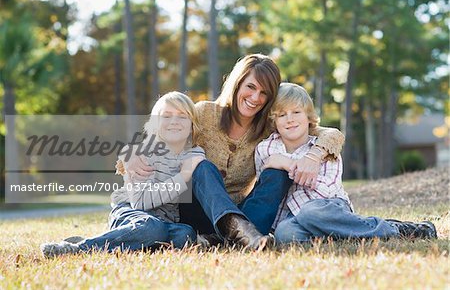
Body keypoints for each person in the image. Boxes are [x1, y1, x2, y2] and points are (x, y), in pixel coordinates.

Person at [120, 54, 345, 250]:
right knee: (201, 165)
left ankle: (228, 236)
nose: (255, 98)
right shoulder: (205, 113)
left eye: (264, 93)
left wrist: (313, 156)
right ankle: (234, 233)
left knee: (278, 172)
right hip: (196, 211)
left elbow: (331, 133)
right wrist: (130, 151)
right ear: (237, 84)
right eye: (251, 87)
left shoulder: (269, 126)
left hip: (245, 216)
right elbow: (166, 131)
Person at [255, 82, 437, 244]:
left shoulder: (325, 147)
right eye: (282, 115)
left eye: (296, 112)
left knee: (311, 212)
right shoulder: (266, 148)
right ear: (274, 120)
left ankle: (394, 230)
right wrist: (295, 168)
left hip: (328, 207)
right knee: (284, 234)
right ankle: (343, 235)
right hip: (290, 218)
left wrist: (287, 164)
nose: (290, 119)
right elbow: (265, 187)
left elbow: (326, 190)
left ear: (309, 117)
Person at [41, 92, 205, 257]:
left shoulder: (195, 154)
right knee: (151, 227)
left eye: (182, 116)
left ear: (192, 124)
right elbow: (141, 203)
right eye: (166, 116)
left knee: (185, 234)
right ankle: (79, 248)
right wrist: (183, 176)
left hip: (166, 222)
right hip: (131, 212)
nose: (174, 122)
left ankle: (119, 240)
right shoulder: (140, 154)